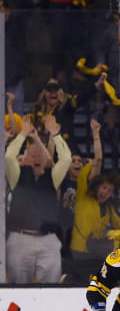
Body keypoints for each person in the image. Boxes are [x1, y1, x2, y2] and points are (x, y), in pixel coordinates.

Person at [5, 114, 71, 283]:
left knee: (51, 288)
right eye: (32, 156)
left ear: (46, 159)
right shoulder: (16, 177)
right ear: (26, 160)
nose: (37, 158)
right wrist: (22, 134)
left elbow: (66, 159)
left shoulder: (53, 177)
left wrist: (55, 135)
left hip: (48, 239)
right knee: (17, 289)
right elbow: (8, 157)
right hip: (20, 238)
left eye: (40, 156)